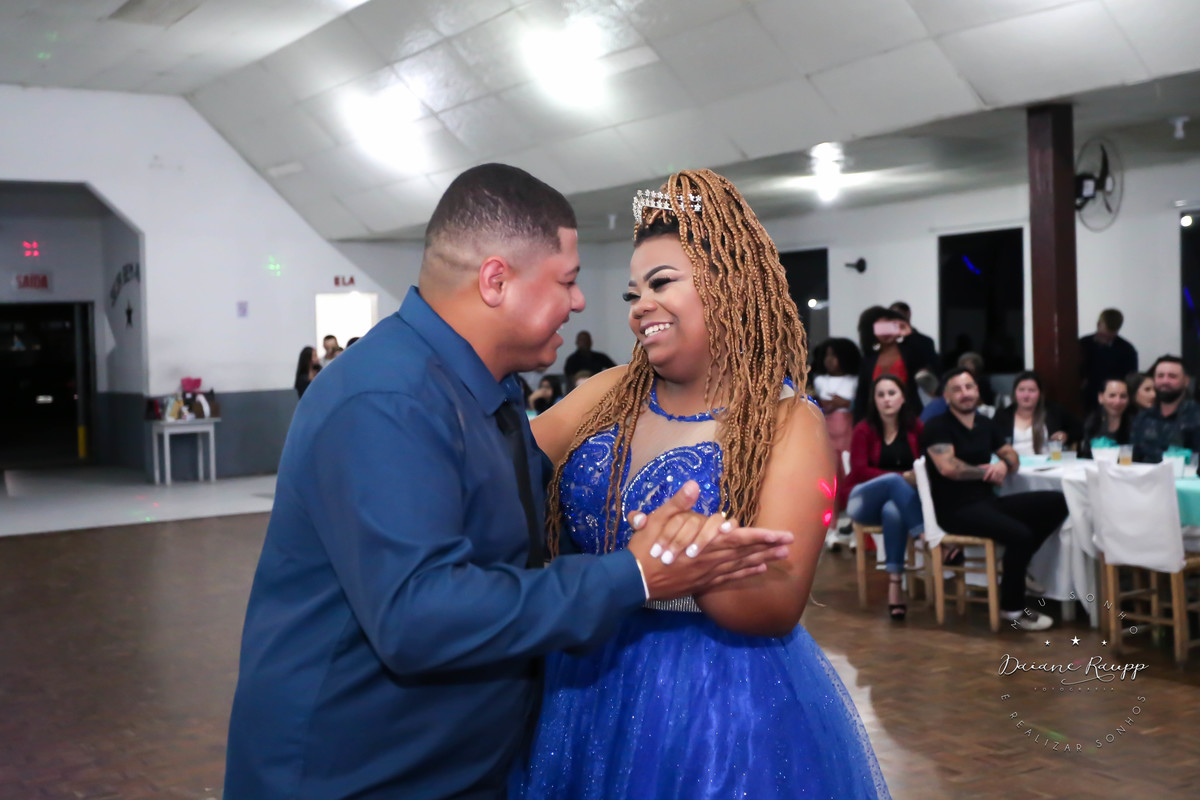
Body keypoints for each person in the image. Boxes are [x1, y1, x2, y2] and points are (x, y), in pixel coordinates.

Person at [223, 164, 792, 800]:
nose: (581, 302)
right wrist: (632, 574)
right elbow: (419, 615)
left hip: (451, 764)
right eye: (567, 281)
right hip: (359, 775)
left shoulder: (481, 389)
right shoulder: (387, 399)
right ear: (497, 281)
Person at [509, 169, 890, 799]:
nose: (640, 305)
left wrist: (682, 563)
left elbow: (776, 605)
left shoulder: (786, 423)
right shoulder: (608, 393)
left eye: (661, 283)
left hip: (716, 706)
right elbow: (501, 467)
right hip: (583, 677)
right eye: (633, 292)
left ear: (729, 285)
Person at [921, 367, 1068, 631]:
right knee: (1020, 535)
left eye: (969, 387)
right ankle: (1012, 609)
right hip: (954, 510)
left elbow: (1011, 455)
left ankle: (1016, 562)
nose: (965, 394)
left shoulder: (986, 424)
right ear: (946, 396)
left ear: (977, 391)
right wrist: (986, 472)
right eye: (957, 389)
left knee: (1058, 501)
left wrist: (1003, 464)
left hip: (987, 502)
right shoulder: (937, 426)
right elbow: (948, 468)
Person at [844, 374, 924, 620]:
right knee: (893, 481)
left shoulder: (916, 428)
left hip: (900, 502)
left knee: (893, 510)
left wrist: (914, 477)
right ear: (874, 400)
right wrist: (903, 477)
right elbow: (859, 471)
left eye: (892, 393)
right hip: (862, 500)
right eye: (881, 395)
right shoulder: (863, 429)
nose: (887, 399)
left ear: (903, 398)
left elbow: (926, 464)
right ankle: (924, 535)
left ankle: (895, 586)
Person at [852, 306, 935, 421]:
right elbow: (862, 394)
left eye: (889, 327)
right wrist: (858, 423)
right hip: (876, 417)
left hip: (909, 414)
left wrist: (909, 333)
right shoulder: (869, 358)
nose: (886, 333)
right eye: (880, 328)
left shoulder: (910, 351)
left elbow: (928, 356)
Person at [1131, 355, 1200, 463]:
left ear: (1186, 381)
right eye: (1160, 376)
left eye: (1172, 376)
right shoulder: (1143, 417)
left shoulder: (1196, 417)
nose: (1165, 381)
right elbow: (1132, 458)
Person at [991, 371, 1076, 456]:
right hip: (1012, 463)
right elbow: (991, 442)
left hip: (1047, 462)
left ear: (1040, 393)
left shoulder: (1053, 411)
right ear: (1014, 392)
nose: (1026, 395)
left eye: (1032, 390)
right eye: (1021, 390)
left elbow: (1078, 429)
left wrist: (1064, 436)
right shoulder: (1002, 415)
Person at [1080, 308, 1138, 411]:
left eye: (1110, 336)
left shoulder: (1127, 350)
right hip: (1085, 399)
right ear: (1098, 325)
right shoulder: (1082, 345)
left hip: (1114, 400)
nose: (1105, 340)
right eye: (1103, 335)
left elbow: (1131, 380)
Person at [1079, 377, 1135, 458]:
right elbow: (1085, 455)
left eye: (1123, 396)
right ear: (1101, 398)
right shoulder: (1092, 422)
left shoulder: (1136, 424)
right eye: (1112, 396)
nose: (1117, 401)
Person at [888, 300, 939, 378]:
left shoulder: (924, 341)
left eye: (898, 314)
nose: (895, 318)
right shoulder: (887, 342)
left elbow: (933, 368)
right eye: (891, 315)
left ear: (908, 314)